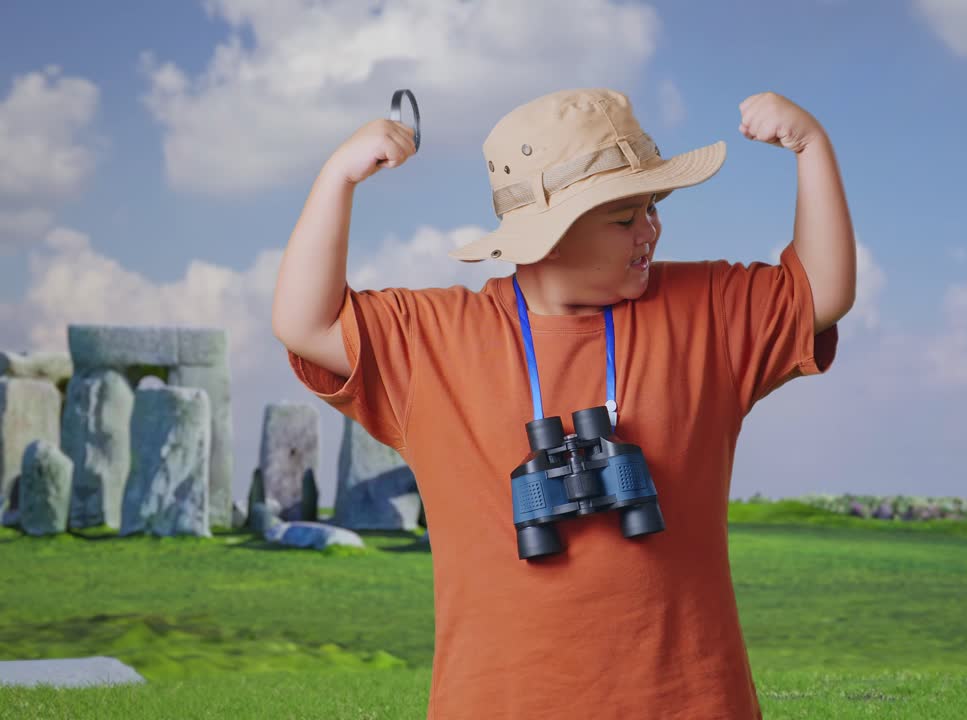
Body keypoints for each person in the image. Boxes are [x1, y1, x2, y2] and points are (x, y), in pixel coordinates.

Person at [273, 87, 856, 719]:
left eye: (653, 207)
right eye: (623, 217)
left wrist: (811, 148)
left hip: (687, 701)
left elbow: (820, 291)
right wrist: (338, 179)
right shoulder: (436, 338)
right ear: (546, 237)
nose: (651, 230)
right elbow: (306, 324)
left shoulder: (704, 308)